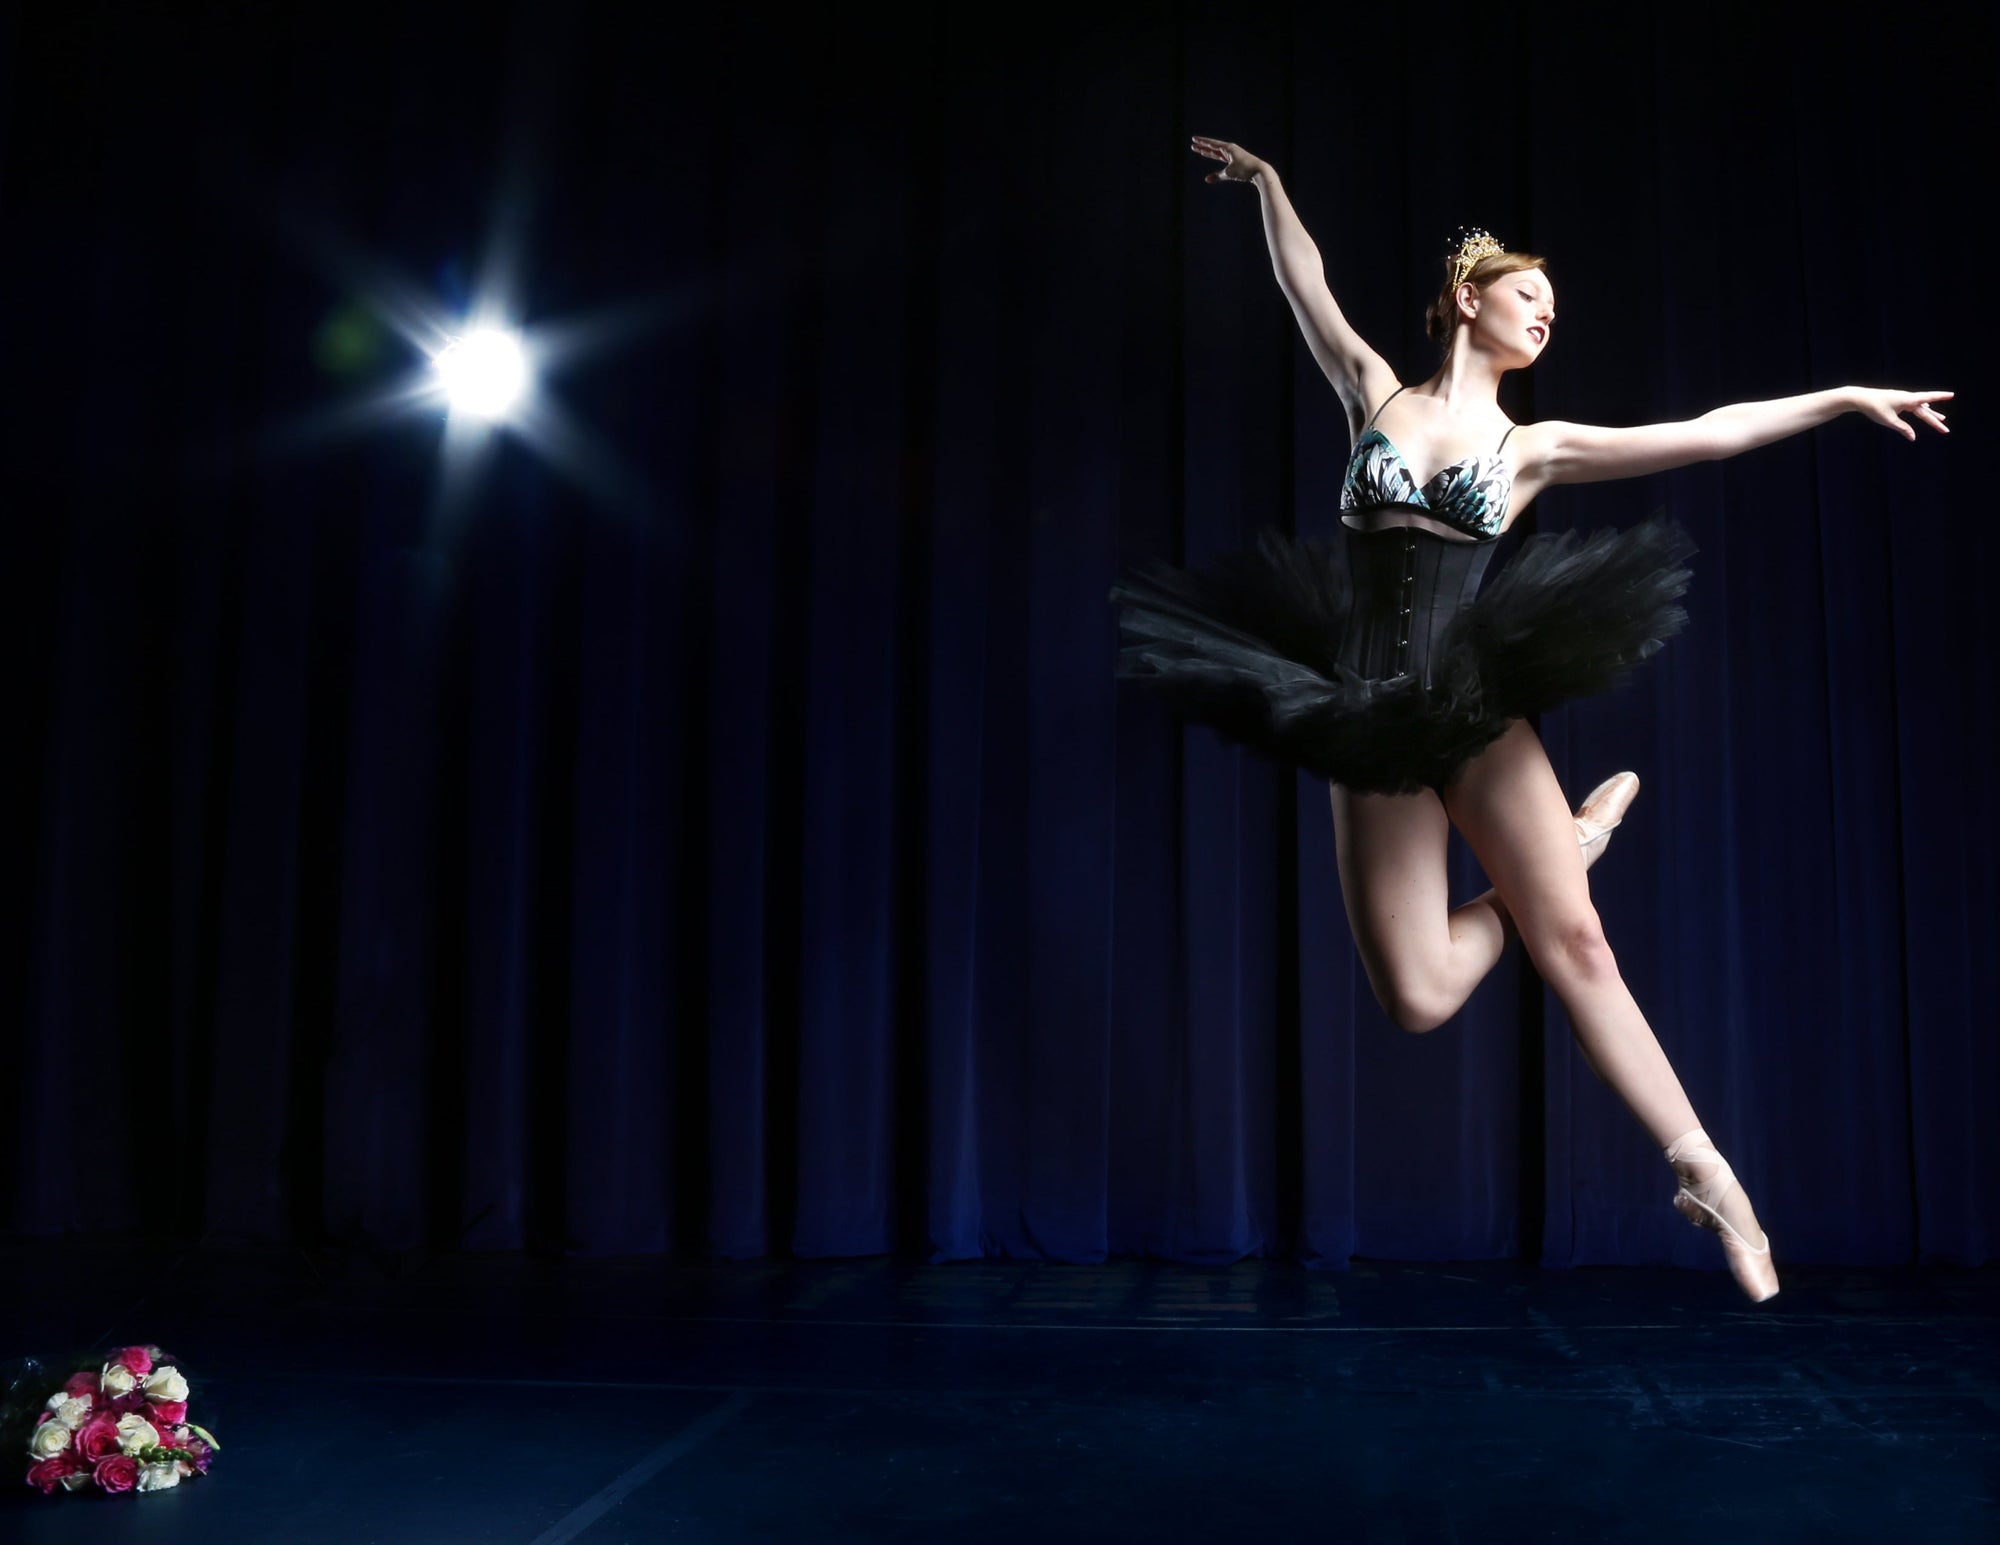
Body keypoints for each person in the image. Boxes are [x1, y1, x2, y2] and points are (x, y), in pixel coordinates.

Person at [1110, 136, 1953, 1302]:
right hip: (1361, 708)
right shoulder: (1372, 393)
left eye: (1552, 307)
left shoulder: (1533, 448)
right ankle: (1569, 846)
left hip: (1469, 703)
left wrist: (1842, 398)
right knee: (1416, 996)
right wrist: (1268, 187)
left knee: (1580, 946)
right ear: (1468, 299)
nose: (1546, 315)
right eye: (1528, 296)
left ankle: (1707, 1175)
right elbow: (1305, 285)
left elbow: (1710, 430)